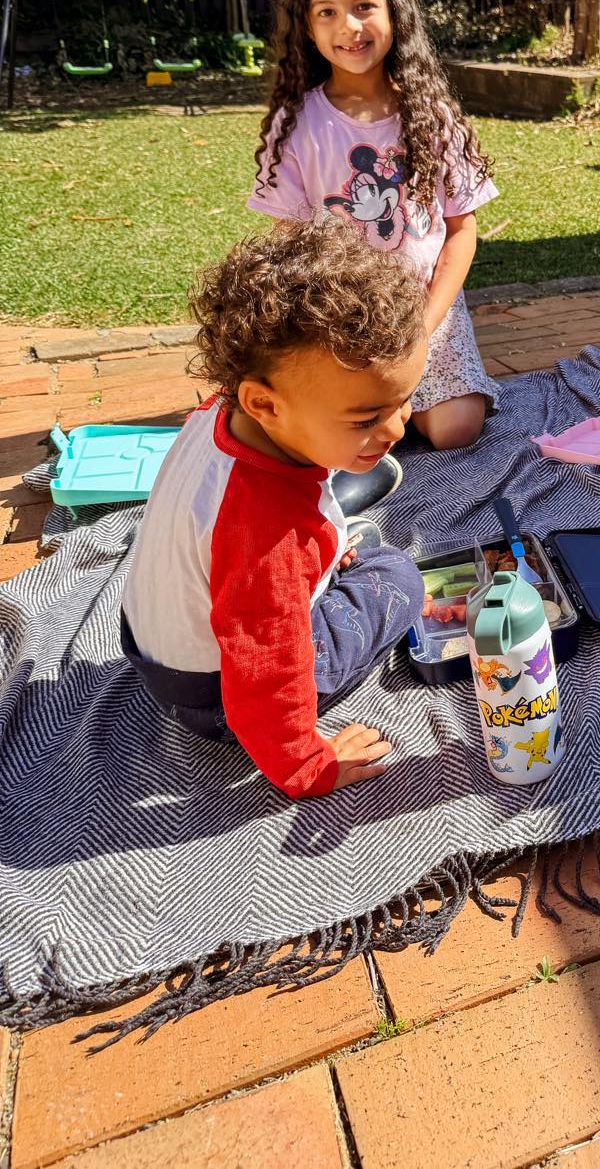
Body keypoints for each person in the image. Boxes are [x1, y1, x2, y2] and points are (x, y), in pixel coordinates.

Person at [120, 221, 429, 800]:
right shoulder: (267, 534)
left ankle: (334, 538)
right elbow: (266, 673)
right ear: (265, 404)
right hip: (217, 701)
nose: (398, 427)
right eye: (366, 419)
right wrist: (309, 766)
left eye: (406, 399)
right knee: (399, 575)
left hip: (154, 646)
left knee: (345, 551)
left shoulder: (222, 412)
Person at [248, 0, 498, 451]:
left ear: (393, 10)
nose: (350, 26)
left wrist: (421, 333)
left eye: (364, 6)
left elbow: (461, 231)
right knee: (317, 432)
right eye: (327, 12)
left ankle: (389, 408)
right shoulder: (293, 125)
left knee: (455, 431)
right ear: (306, 28)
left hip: (428, 314)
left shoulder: (432, 113)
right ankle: (374, 410)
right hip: (340, 322)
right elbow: (288, 248)